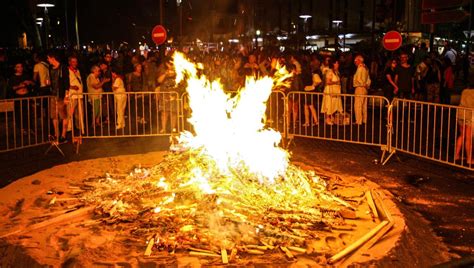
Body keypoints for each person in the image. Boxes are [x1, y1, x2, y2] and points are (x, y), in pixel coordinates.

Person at [47, 52, 69, 143]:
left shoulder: (63, 68)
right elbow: (51, 80)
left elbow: (66, 82)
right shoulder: (50, 68)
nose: (47, 60)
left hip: (61, 95)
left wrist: (66, 96)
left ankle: (63, 135)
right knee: (54, 116)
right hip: (53, 94)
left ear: (53, 58)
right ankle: (56, 134)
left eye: (48, 58)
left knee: (63, 115)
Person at [8, 63, 35, 134]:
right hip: (18, 97)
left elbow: (33, 83)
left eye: (21, 67)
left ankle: (30, 128)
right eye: (18, 67)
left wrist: (29, 82)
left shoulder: (26, 75)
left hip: (26, 96)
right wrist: (19, 86)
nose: (20, 68)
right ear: (15, 68)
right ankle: (22, 128)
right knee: (20, 113)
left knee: (28, 112)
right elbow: (11, 88)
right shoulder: (12, 77)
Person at [157, 59, 179, 133]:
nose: (170, 65)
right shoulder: (163, 71)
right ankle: (164, 128)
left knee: (173, 112)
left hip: (174, 94)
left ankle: (173, 128)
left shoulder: (178, 71)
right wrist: (165, 74)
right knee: (164, 112)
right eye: (169, 63)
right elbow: (159, 81)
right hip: (164, 94)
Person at [455, 88, 474, 165]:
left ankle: (456, 155)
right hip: (469, 115)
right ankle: (469, 159)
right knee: (468, 138)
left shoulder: (464, 91)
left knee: (462, 135)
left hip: (461, 113)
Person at [321, 59, 343, 125]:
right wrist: (336, 82)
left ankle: (332, 117)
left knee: (333, 104)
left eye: (338, 63)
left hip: (335, 91)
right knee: (329, 104)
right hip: (330, 90)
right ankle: (327, 118)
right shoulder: (330, 71)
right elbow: (328, 82)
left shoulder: (336, 72)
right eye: (336, 63)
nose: (338, 65)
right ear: (333, 64)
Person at [302, 57, 322, 127]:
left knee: (308, 106)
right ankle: (314, 121)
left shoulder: (307, 72)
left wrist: (313, 85)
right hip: (311, 89)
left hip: (307, 89)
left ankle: (311, 121)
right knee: (309, 106)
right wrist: (314, 86)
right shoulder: (312, 71)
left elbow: (318, 81)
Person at [67, 56, 85, 134]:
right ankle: (69, 129)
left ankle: (80, 128)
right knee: (70, 113)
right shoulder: (67, 71)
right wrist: (71, 87)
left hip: (79, 95)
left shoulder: (77, 71)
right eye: (73, 62)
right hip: (72, 95)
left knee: (80, 113)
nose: (75, 63)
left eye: (76, 62)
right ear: (69, 62)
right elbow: (65, 83)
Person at [353, 55, 371, 125]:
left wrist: (363, 84)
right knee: (364, 105)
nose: (355, 62)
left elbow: (358, 78)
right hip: (365, 88)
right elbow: (369, 79)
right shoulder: (366, 68)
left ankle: (358, 121)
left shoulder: (360, 68)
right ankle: (364, 120)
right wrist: (367, 85)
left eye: (355, 60)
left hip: (360, 87)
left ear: (359, 60)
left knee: (358, 105)